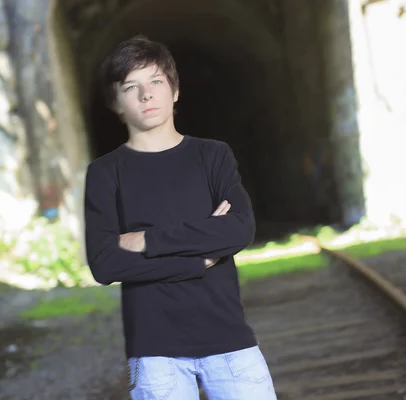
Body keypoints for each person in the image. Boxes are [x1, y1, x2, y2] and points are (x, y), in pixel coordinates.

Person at [84, 35, 277, 399]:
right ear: (116, 102)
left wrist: (147, 240)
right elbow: (106, 264)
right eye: (131, 86)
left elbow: (239, 228)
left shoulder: (213, 156)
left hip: (230, 343)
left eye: (156, 81)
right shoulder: (105, 173)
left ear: (174, 91)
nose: (146, 95)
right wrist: (199, 259)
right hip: (156, 352)